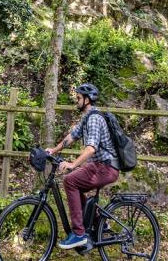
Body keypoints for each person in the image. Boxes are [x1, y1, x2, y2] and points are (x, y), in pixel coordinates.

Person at [45, 83, 119, 249]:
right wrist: (54, 150)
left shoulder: (94, 119)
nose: (76, 100)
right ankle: (99, 222)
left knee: (70, 180)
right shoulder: (87, 117)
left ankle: (79, 234)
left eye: (78, 98)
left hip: (105, 167)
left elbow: (91, 148)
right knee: (74, 182)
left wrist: (72, 164)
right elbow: (72, 136)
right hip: (99, 166)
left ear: (87, 99)